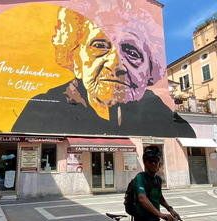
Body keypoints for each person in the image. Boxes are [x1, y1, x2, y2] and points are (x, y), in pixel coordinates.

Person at [12, 7, 195, 138]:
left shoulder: (161, 116)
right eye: (99, 46)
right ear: (75, 59)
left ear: (149, 72)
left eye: (131, 52)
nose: (116, 65)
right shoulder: (41, 109)